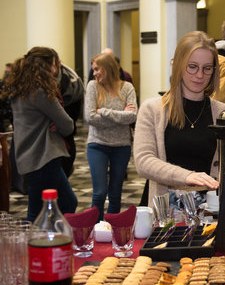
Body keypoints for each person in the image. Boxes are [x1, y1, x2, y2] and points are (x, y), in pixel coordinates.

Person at [134, 31, 225, 206]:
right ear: (177, 65)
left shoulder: (224, 113)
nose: (200, 75)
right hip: (164, 211)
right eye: (192, 66)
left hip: (209, 211)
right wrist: (187, 176)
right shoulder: (152, 110)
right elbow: (144, 161)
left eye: (207, 68)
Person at [1, 47, 78, 221]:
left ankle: (57, 241)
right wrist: (57, 125)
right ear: (45, 67)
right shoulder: (40, 92)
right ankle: (39, 246)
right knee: (39, 213)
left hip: (29, 156)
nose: (55, 69)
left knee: (67, 202)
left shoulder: (19, 90)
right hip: (43, 156)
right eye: (53, 65)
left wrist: (52, 123)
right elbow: (67, 125)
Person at [84, 52, 137, 221]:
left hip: (121, 146)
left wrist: (104, 112)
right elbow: (90, 118)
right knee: (99, 193)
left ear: (107, 68)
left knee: (115, 194)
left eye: (97, 69)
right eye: (93, 70)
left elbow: (133, 116)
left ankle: (111, 229)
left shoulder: (127, 87)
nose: (94, 73)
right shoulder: (93, 86)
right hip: (97, 144)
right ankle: (94, 228)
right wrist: (120, 116)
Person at [54, 62, 85, 177]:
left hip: (67, 134)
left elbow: (72, 119)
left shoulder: (73, 83)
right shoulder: (39, 88)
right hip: (47, 141)